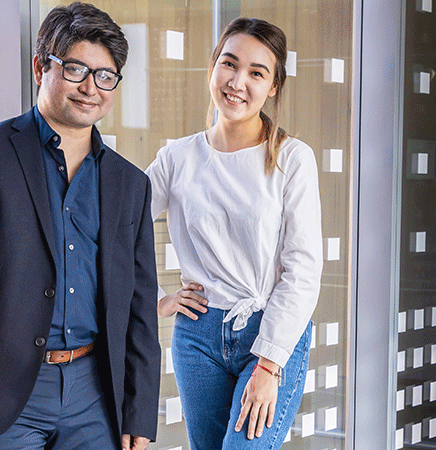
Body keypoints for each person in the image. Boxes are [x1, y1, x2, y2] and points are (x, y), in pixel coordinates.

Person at [0, 3, 160, 450]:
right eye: (76, 69)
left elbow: (139, 308)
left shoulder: (130, 184)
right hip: (0, 388)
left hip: (94, 394)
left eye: (105, 76)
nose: (90, 88)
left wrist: (139, 412)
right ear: (40, 67)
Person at [145, 17, 323, 450]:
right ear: (213, 67)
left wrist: (268, 364)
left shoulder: (292, 158)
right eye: (229, 64)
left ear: (273, 86)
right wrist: (155, 300)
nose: (237, 81)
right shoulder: (177, 158)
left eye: (257, 72)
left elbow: (302, 268)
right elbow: (115, 230)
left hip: (270, 332)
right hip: (197, 335)